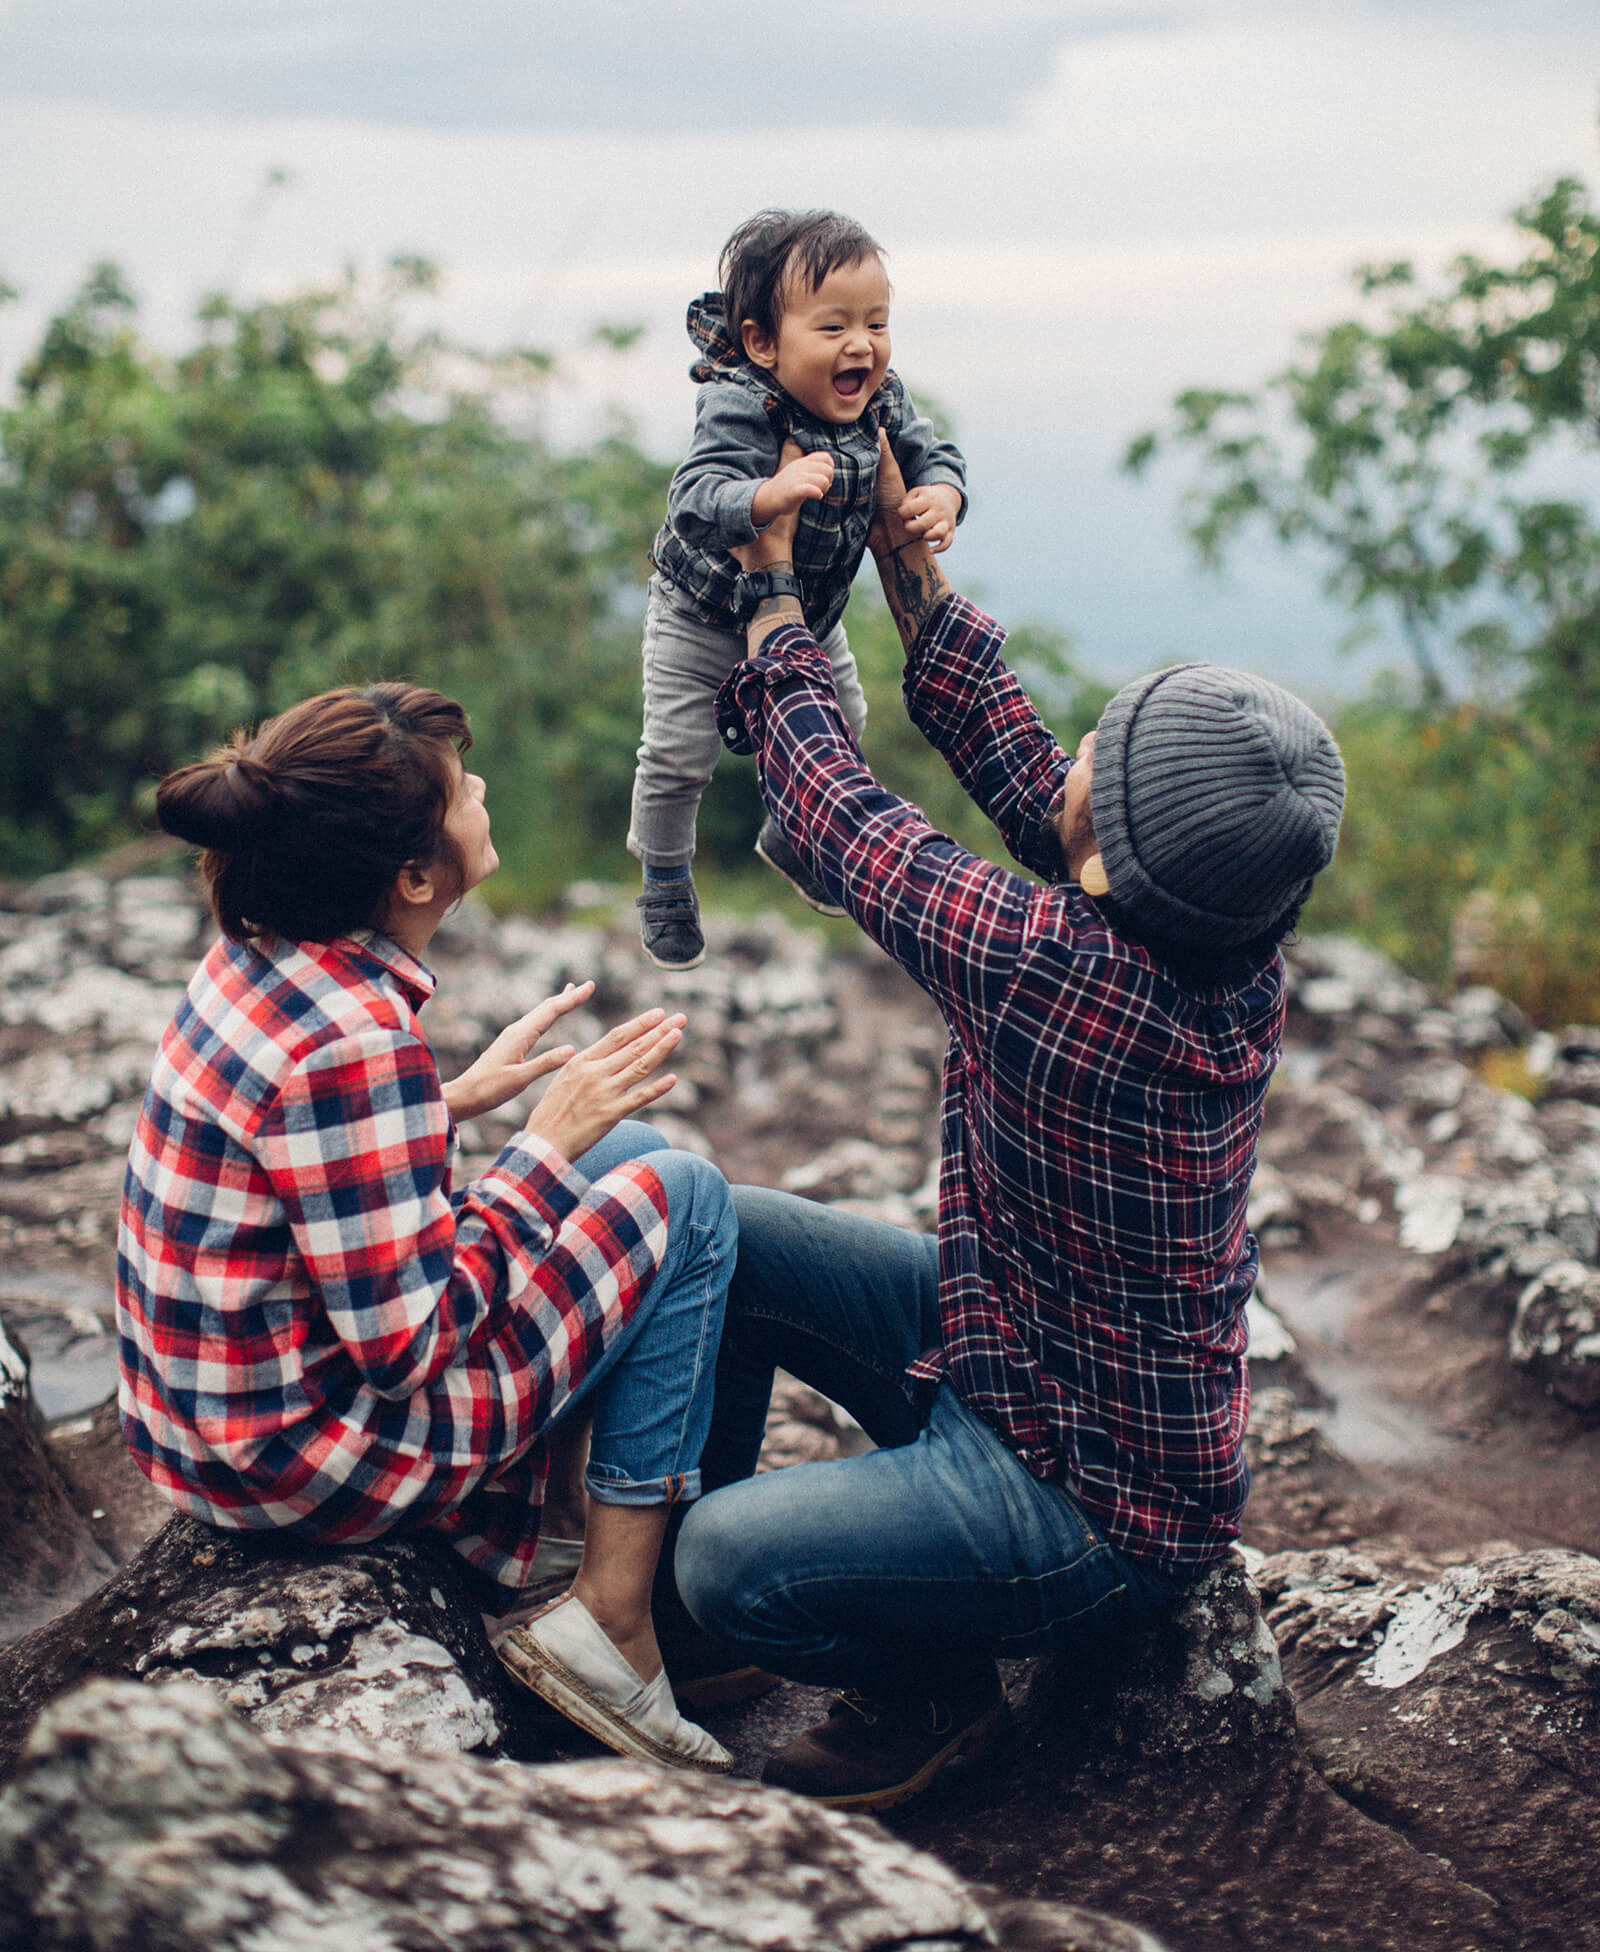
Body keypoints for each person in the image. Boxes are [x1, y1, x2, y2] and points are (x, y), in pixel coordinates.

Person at [670, 437, 1346, 1810]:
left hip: (1089, 1504)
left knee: (723, 1560)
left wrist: (770, 601)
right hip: (1020, 1339)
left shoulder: (1058, 969)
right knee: (720, 1240)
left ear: (1106, 861)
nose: (1078, 748)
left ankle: (920, 1689)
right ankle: (730, 1638)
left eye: (1104, 751)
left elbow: (842, 816)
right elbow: (1031, 773)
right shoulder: (1219, 936)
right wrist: (915, 577)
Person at [116, 681, 738, 1772]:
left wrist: (447, 1103)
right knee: (682, 1196)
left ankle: (557, 1522)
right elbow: (409, 1345)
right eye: (462, 789)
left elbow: (289, 1163)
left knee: (625, 1158)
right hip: (299, 1464)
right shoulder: (355, 1037)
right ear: (412, 876)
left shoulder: (256, 957)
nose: (483, 788)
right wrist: (538, 1146)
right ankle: (613, 1620)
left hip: (203, 1431)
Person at [629, 206, 968, 970]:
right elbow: (694, 497)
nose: (862, 345)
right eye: (833, 327)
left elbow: (932, 452)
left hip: (811, 613)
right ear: (762, 343)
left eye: (877, 324)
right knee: (678, 755)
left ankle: (792, 829)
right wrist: (764, 497)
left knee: (845, 725)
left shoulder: (881, 399)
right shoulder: (741, 400)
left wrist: (941, 494)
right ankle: (665, 874)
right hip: (704, 611)